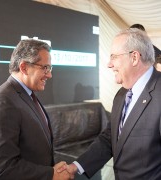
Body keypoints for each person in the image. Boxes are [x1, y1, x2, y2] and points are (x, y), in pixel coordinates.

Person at [58, 28, 161, 179]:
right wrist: (75, 167)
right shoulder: (121, 94)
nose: (109, 64)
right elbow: (110, 138)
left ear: (134, 58)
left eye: (114, 57)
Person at [0, 39, 72, 180]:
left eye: (50, 68)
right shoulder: (0, 103)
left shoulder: (26, 95)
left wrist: (51, 170)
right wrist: (51, 174)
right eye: (45, 68)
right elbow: (3, 168)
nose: (49, 75)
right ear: (24, 67)